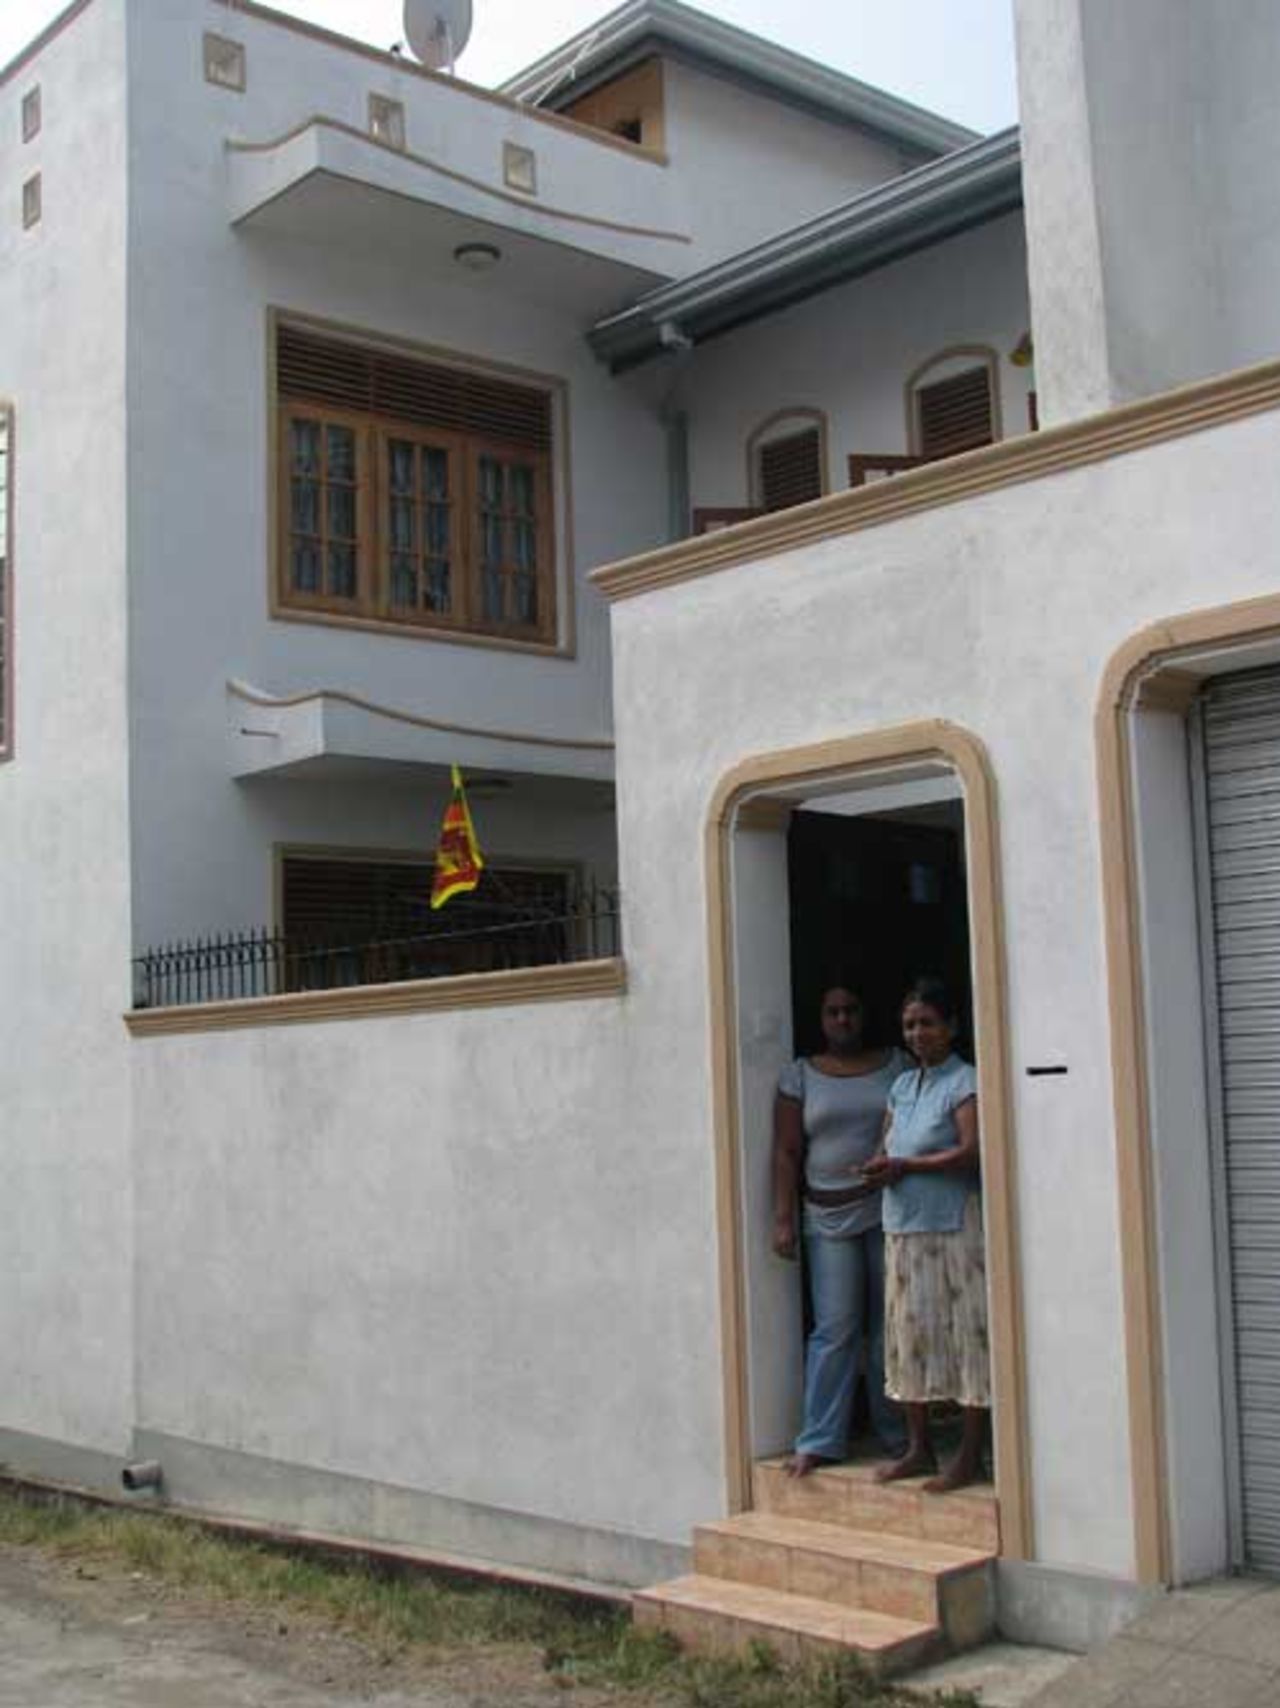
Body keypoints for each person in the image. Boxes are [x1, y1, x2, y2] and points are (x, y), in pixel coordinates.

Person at [772, 983, 909, 1477]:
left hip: (886, 1208)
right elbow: (787, 1152)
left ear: (864, 1014)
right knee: (835, 1329)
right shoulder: (800, 1075)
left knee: (886, 1327)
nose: (843, 1019)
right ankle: (820, 1439)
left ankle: (898, 1436)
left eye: (851, 1010)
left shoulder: (897, 1065)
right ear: (821, 1018)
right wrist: (783, 1218)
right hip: (825, 1218)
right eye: (833, 1012)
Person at [861, 976, 990, 1494]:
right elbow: (885, 1144)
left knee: (965, 1337)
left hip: (953, 1227)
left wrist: (907, 1166)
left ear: (951, 1027)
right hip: (902, 1228)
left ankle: (968, 1456)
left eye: (927, 1023)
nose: (918, 1033)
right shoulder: (900, 1085)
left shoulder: (966, 1081)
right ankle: (919, 1448)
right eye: (910, 1024)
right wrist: (875, 1167)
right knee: (909, 1337)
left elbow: (970, 1151)